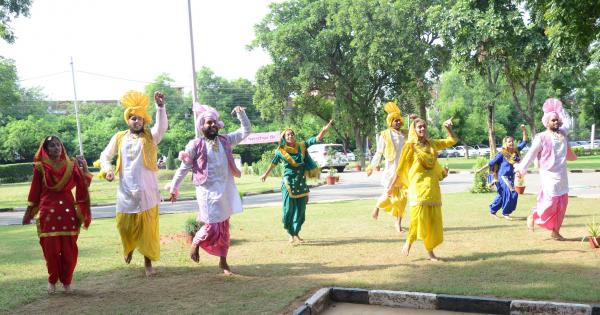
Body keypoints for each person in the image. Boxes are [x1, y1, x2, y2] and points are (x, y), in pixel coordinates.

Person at [167, 103, 251, 275]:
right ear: (201, 126)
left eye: (214, 122)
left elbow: (246, 131)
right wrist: (174, 188)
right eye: (208, 123)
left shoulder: (226, 140)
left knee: (224, 226)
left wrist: (241, 114)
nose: (212, 125)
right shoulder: (195, 145)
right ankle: (196, 243)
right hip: (206, 190)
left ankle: (223, 261)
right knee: (212, 224)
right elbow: (183, 168)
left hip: (225, 188)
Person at [99, 90, 168, 276]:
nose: (136, 121)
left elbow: (161, 128)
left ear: (144, 120)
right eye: (132, 118)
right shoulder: (119, 137)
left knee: (147, 230)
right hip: (125, 191)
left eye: (139, 118)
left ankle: (148, 265)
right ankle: (128, 247)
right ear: (127, 120)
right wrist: (107, 169)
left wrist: (160, 107)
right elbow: (105, 155)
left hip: (147, 190)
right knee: (124, 226)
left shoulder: (151, 137)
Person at [22, 136, 92, 293]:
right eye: (52, 146)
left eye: (58, 145)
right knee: (51, 252)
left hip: (68, 213)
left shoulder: (71, 166)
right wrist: (29, 213)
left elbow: (82, 185)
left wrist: (84, 169)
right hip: (48, 214)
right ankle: (52, 281)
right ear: (46, 150)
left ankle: (67, 282)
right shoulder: (40, 167)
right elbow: (35, 192)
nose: (56, 148)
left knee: (69, 251)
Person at [389, 117, 457, 261]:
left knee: (432, 222)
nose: (422, 129)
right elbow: (400, 169)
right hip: (417, 187)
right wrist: (391, 186)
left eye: (424, 127)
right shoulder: (410, 146)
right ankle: (409, 241)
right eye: (419, 127)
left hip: (432, 187)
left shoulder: (432, 144)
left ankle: (430, 253)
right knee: (417, 218)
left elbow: (452, 141)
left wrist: (448, 128)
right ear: (414, 129)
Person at [260, 120, 334, 244]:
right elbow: (273, 163)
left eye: (292, 134)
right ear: (284, 138)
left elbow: (316, 138)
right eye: (288, 135)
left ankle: (296, 233)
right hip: (288, 183)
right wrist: (265, 174)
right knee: (288, 209)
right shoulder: (281, 151)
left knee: (301, 211)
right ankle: (290, 233)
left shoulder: (302, 146)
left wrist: (326, 128)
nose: (290, 136)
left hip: (301, 182)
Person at [515, 98, 576, 241]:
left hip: (562, 173)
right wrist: (521, 170)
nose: (556, 122)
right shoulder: (541, 137)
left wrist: (562, 110)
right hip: (548, 174)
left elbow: (567, 122)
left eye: (557, 120)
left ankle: (556, 231)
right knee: (550, 202)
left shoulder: (563, 133)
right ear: (547, 122)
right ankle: (534, 216)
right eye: (553, 120)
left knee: (562, 203)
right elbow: (531, 154)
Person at [366, 101, 408, 232]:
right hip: (391, 170)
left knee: (402, 199)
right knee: (387, 194)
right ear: (390, 121)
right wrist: (372, 167)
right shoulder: (384, 134)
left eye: (399, 120)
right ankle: (377, 207)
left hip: (403, 171)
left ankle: (398, 223)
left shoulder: (405, 134)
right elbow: (379, 152)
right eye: (395, 120)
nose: (397, 122)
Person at [487, 124, 528, 219]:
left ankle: (492, 211)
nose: (511, 143)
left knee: (502, 194)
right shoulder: (502, 153)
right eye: (509, 142)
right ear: (505, 143)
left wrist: (524, 130)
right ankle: (505, 213)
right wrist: (491, 178)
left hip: (512, 177)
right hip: (503, 176)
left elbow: (525, 141)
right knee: (513, 193)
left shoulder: (516, 151)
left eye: (512, 141)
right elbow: (491, 163)